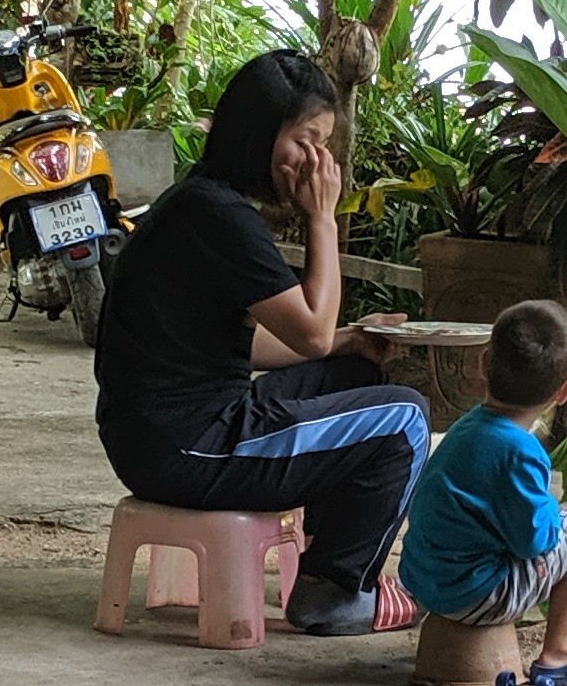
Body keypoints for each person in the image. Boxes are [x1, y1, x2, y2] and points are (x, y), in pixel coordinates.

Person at [93, 47, 427, 635]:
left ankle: (323, 563)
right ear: (258, 133)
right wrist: (322, 218)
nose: (316, 161)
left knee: (355, 373)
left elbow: (244, 347)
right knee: (406, 421)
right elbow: (312, 333)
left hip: (160, 436)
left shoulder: (201, 201)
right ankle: (338, 594)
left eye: (323, 145)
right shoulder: (219, 216)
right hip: (187, 447)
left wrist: (349, 340)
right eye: (304, 140)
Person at [399, 297, 567, 686]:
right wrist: (552, 511)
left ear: (483, 363)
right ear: (565, 391)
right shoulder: (521, 453)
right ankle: (561, 651)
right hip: (479, 595)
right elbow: (536, 542)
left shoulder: (463, 429)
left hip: (424, 580)